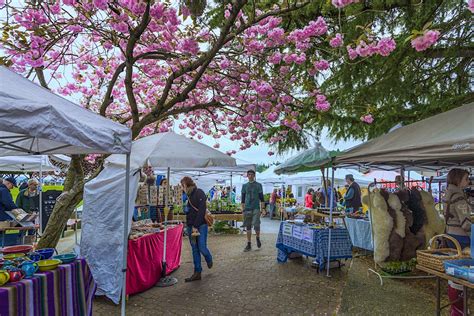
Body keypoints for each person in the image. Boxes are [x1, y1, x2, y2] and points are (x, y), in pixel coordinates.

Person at [442, 169, 471, 315]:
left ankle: (456, 308)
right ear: (458, 179)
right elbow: (465, 222)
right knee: (463, 273)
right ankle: (459, 309)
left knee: (454, 272)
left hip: (450, 235)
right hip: (461, 237)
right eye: (466, 178)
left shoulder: (448, 193)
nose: (468, 181)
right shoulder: (458, 195)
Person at [181, 176, 213, 282]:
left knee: (202, 247)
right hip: (190, 226)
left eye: (182, 185)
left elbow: (201, 210)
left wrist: (196, 225)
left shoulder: (199, 192)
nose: (182, 188)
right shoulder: (186, 195)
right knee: (195, 249)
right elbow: (187, 210)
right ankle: (197, 272)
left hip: (200, 225)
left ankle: (209, 258)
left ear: (186, 184)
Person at [241, 169, 264, 252]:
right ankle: (249, 243)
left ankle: (257, 238)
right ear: (247, 176)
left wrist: (263, 208)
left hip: (256, 208)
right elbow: (242, 199)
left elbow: (262, 198)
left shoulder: (258, 185)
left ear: (254, 176)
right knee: (248, 226)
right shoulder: (244, 186)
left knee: (257, 224)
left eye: (252, 174)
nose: (250, 176)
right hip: (247, 208)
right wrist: (243, 209)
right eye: (249, 174)